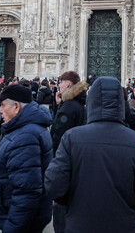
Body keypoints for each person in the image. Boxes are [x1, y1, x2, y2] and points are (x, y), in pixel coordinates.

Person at [45, 76, 135, 232]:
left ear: (91, 102)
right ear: (121, 103)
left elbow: (54, 186)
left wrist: (74, 201)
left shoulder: (72, 138)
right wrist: (125, 202)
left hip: (79, 226)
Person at [0, 84, 53, 233]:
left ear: (16, 107)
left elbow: (26, 190)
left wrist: (12, 227)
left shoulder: (25, 136)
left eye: (3, 105)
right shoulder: (30, 129)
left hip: (22, 221)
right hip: (28, 216)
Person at [50, 71, 87, 233]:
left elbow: (58, 138)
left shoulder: (69, 108)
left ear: (69, 85)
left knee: (61, 211)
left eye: (61, 82)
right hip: (78, 164)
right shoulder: (80, 104)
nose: (59, 85)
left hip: (65, 166)